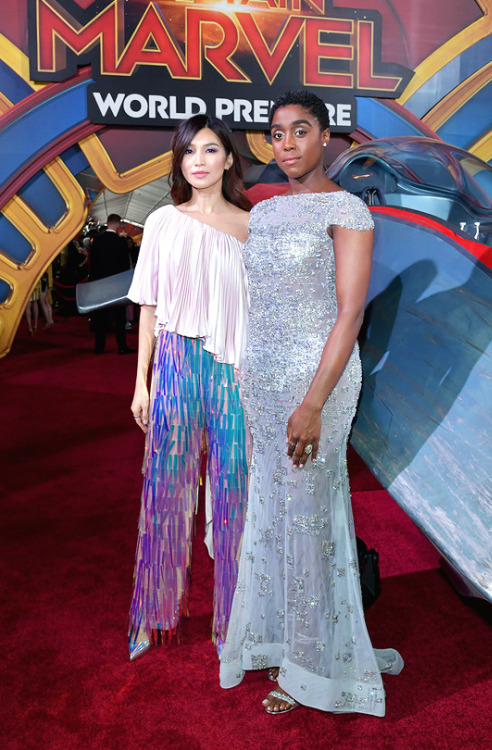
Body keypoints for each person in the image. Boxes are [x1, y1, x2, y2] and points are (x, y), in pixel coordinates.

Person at [219, 91, 403, 716]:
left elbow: (350, 311)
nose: (288, 143)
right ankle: (281, 637)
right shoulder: (264, 214)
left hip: (317, 385)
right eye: (277, 133)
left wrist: (314, 402)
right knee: (274, 512)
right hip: (264, 383)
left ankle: (313, 665)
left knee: (309, 520)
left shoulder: (348, 208)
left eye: (301, 131)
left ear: (326, 138)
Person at [127, 114, 251, 661]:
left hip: (236, 373)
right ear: (179, 162)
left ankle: (232, 622)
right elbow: (149, 307)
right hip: (176, 364)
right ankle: (153, 617)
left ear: (228, 158)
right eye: (188, 152)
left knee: (234, 497)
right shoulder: (161, 222)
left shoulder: (254, 227)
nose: (197, 160)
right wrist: (142, 384)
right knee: (165, 493)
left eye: (209, 149)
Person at [87, 215, 133, 354]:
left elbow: (92, 264)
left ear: (107, 223)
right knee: (119, 317)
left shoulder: (96, 241)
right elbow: (125, 266)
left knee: (100, 316)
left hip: (100, 284)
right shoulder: (120, 242)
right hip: (117, 285)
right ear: (118, 225)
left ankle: (99, 347)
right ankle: (121, 346)